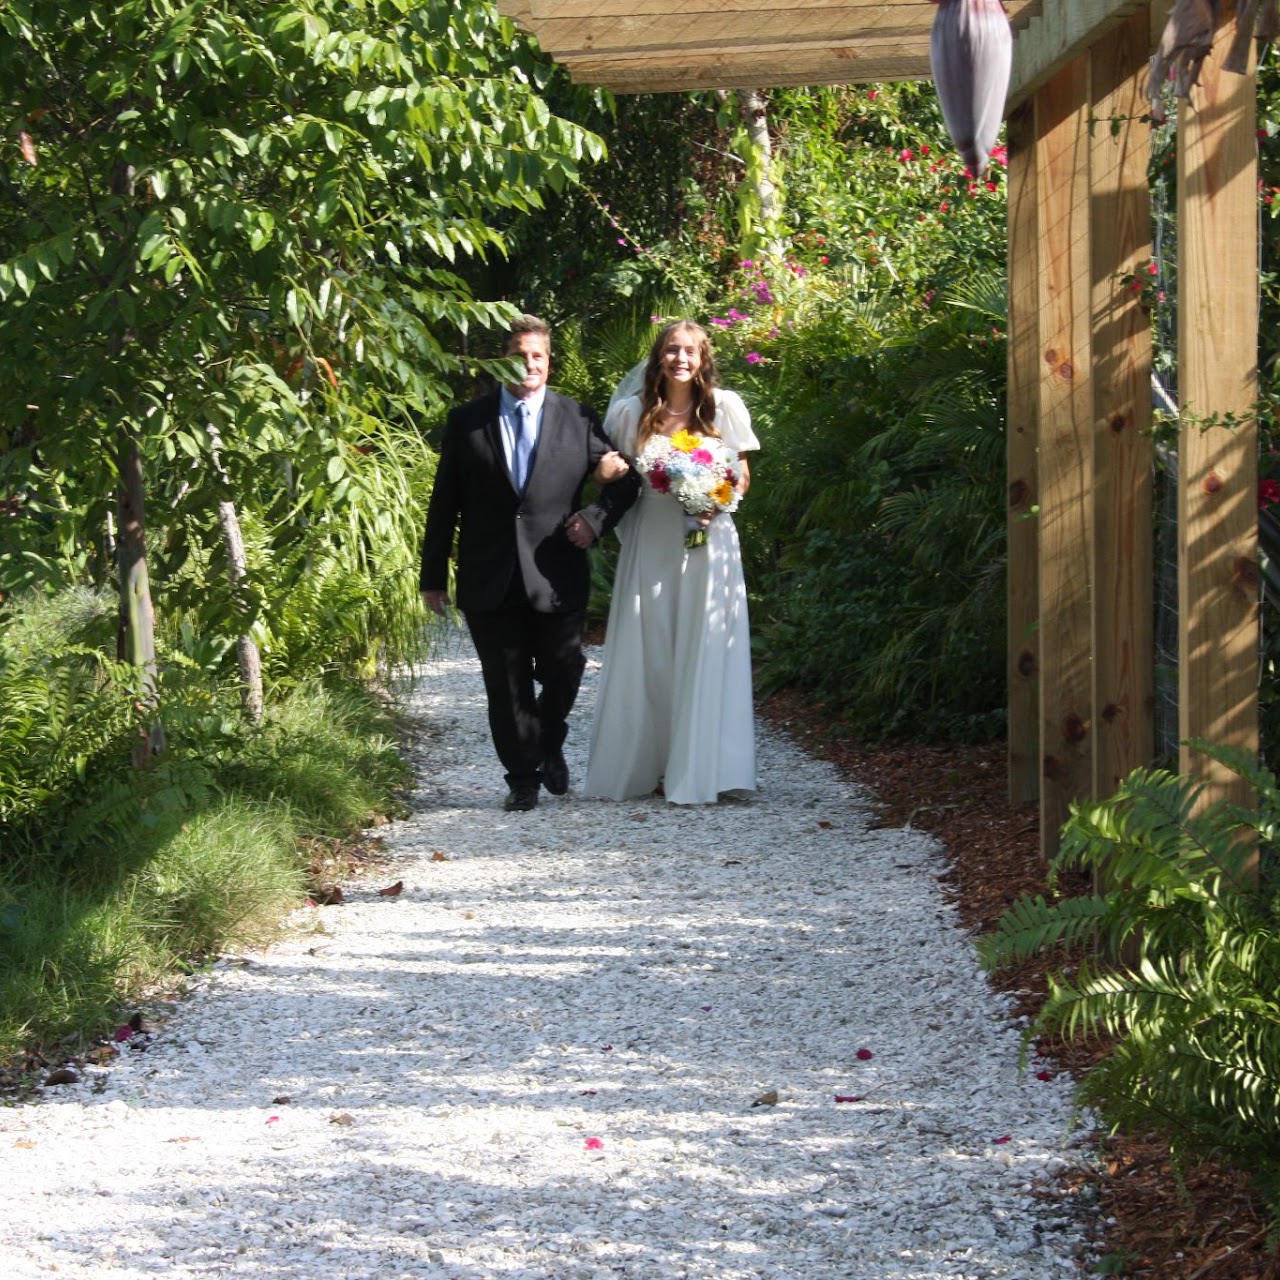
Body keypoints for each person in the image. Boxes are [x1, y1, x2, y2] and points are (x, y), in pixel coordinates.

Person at [420, 315, 638, 812]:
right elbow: (444, 501)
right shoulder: (467, 421)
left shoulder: (578, 419)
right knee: (506, 681)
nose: (529, 363)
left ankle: (549, 738)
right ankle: (522, 778)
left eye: (537, 355)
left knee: (566, 666)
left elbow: (626, 481)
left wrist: (594, 518)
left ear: (549, 364)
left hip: (557, 571)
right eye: (519, 354)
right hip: (488, 573)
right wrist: (432, 576)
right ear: (502, 361)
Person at [583, 320, 760, 805]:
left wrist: (715, 499)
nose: (680, 359)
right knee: (653, 648)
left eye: (690, 352)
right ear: (658, 356)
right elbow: (614, 479)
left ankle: (703, 767)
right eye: (672, 350)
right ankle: (650, 765)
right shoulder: (629, 412)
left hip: (711, 541)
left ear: (703, 359)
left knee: (704, 645)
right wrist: (602, 474)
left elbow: (741, 474)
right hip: (654, 540)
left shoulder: (725, 408)